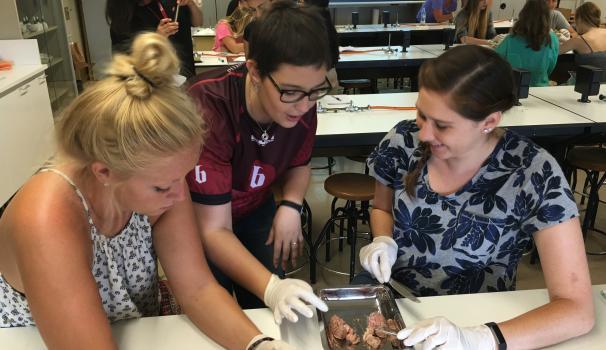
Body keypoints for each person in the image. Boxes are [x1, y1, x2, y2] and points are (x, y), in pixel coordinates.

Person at [0, 32, 294, 350]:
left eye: (181, 178)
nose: (181, 198)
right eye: (162, 186)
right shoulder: (46, 216)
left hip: (135, 329)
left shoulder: (163, 180)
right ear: (105, 172)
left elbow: (196, 288)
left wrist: (257, 343)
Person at [357, 45, 594, 349]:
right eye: (421, 114)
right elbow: (382, 208)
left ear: (489, 122)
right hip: (397, 302)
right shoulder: (404, 140)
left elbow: (577, 310)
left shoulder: (531, 171)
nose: (425, 134)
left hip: (479, 314)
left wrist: (478, 338)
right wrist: (382, 240)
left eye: (442, 125)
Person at [186, 0, 331, 323]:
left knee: (270, 312)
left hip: (255, 207)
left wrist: (291, 204)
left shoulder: (301, 100)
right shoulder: (209, 106)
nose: (304, 106)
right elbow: (214, 230)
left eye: (315, 91)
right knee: (217, 306)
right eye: (291, 92)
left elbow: (298, 162)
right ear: (253, 70)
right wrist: (272, 288)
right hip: (199, 218)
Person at [106, 0, 203, 78]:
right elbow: (126, 64)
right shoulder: (123, 21)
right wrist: (157, 38)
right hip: (153, 86)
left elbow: (198, 22)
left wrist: (191, 4)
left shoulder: (172, 3)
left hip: (186, 75)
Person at [494, 0, 559, 87]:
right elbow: (550, 68)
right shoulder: (552, 39)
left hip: (513, 89)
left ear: (523, 14)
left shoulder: (511, 39)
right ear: (547, 17)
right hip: (540, 88)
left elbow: (497, 61)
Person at [559, 1, 606, 80]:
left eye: (575, 20)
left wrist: (552, 37)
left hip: (587, 85)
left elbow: (552, 52)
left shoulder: (578, 41)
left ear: (580, 19)